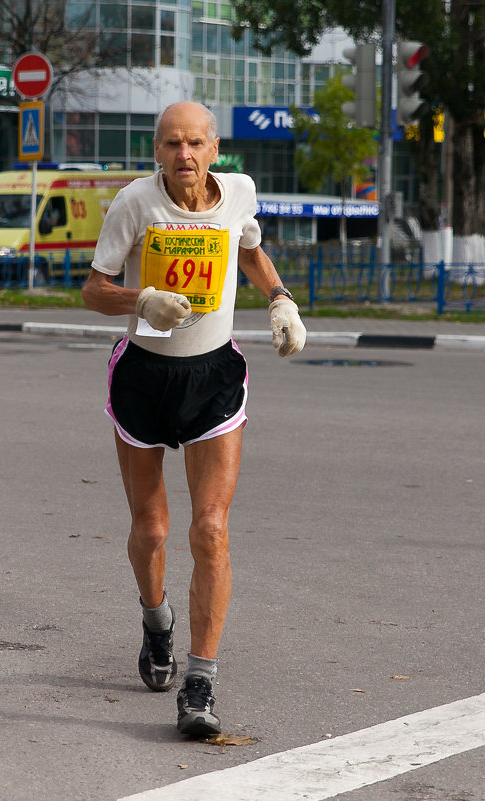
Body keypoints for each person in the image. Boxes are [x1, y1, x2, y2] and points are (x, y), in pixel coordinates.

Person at [81, 101, 306, 738]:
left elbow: (251, 250)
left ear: (214, 149)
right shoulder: (134, 203)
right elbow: (94, 290)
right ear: (158, 151)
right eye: (172, 144)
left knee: (210, 529)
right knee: (152, 529)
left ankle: (200, 681)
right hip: (145, 378)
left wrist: (281, 298)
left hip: (212, 377)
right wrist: (140, 298)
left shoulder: (239, 194)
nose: (184, 155)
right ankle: (157, 625)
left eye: (196, 144)